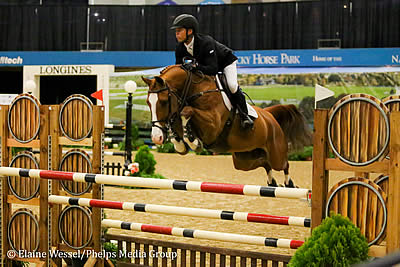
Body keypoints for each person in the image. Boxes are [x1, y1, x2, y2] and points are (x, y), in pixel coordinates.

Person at [170, 14, 254, 130]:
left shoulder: (206, 42)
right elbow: (178, 69)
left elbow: (213, 69)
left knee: (232, 85)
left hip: (225, 63)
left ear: (190, 31)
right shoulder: (180, 48)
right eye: (176, 31)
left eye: (179, 30)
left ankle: (245, 115)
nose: (176, 34)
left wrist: (195, 66)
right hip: (206, 66)